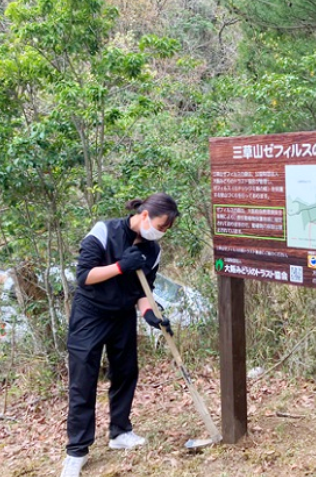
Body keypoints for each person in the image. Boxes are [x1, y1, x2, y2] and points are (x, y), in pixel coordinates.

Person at [60, 192, 180, 477]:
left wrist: (152, 315)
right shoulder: (105, 231)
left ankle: (120, 432)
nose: (161, 233)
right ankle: (76, 451)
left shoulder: (153, 251)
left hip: (123, 314)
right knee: (83, 379)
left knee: (126, 372)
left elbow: (143, 293)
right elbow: (84, 276)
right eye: (161, 226)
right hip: (90, 313)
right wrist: (119, 266)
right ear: (145, 215)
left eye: (165, 230)